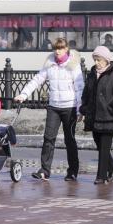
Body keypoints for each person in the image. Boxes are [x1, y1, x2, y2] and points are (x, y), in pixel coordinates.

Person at [14, 38, 84, 180]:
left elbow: (79, 88)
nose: (57, 51)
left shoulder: (73, 65)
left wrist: (79, 109)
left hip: (69, 107)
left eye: (60, 49)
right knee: (48, 138)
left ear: (66, 50)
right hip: (54, 106)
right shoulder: (50, 63)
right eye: (55, 48)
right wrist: (24, 94)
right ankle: (44, 170)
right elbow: (37, 79)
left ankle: (72, 171)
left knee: (69, 140)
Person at [79, 46, 113, 184]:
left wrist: (112, 108)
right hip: (94, 117)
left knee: (104, 148)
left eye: (99, 60)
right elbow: (87, 93)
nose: (97, 63)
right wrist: (84, 107)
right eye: (95, 60)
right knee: (100, 146)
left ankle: (101, 176)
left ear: (106, 60)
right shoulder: (92, 73)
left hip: (108, 118)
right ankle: (112, 167)